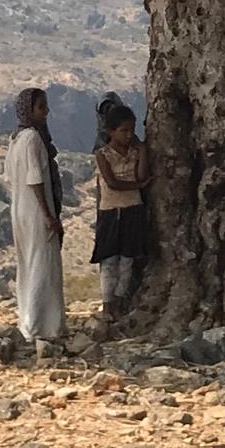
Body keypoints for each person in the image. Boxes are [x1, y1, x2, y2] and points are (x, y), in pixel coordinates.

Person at [3, 86, 65, 353]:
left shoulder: (16, 139)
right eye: (42, 107)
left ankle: (29, 320)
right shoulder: (32, 139)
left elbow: (9, 178)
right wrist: (48, 215)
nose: (47, 112)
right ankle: (42, 324)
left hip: (19, 209)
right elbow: (36, 179)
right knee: (43, 264)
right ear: (30, 110)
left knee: (28, 264)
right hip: (35, 211)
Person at [91, 100, 152, 322]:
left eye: (131, 131)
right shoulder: (103, 154)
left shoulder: (135, 152)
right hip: (111, 211)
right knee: (109, 262)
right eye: (123, 131)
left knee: (127, 261)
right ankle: (107, 305)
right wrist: (138, 186)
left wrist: (143, 150)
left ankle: (118, 303)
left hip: (132, 209)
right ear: (110, 131)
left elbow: (141, 174)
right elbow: (113, 182)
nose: (128, 135)